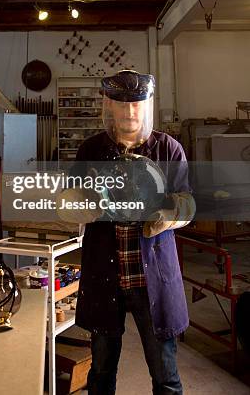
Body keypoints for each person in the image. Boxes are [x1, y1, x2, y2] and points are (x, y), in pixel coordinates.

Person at [69, 70, 195, 395]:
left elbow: (188, 203)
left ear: (147, 104)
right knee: (100, 372)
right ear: (108, 105)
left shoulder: (168, 149)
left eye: (136, 104)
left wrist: (167, 213)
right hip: (104, 274)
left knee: (165, 374)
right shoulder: (91, 150)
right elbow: (70, 200)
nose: (129, 112)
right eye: (121, 105)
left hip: (151, 278)